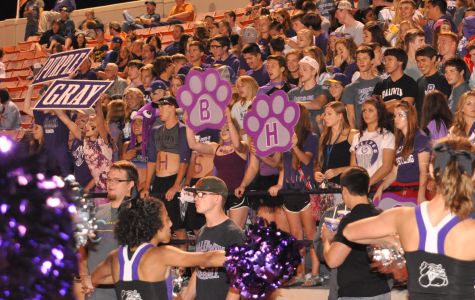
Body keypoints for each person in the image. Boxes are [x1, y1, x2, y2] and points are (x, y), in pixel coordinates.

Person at [343, 137, 475, 299]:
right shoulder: (470, 230)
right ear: (472, 175)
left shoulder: (403, 217)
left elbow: (349, 232)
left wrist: (395, 239)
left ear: (432, 170)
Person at [90, 197, 226, 299]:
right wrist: (243, 255)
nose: (171, 223)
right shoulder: (162, 254)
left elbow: (95, 279)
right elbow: (207, 258)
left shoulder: (114, 257)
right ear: (154, 224)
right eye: (167, 219)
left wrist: (126, 281)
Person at [269, 105, 322, 287]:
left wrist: (294, 146)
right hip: (290, 191)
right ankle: (300, 272)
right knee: (295, 235)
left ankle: (315, 273)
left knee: (310, 234)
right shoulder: (284, 138)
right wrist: (278, 184)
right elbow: (282, 165)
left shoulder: (311, 137)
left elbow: (307, 160)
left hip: (305, 192)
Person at [321, 167, 391, 300]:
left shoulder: (350, 220)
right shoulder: (381, 215)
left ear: (345, 191)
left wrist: (326, 240)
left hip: (357, 293)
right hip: (382, 291)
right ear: (368, 188)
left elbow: (332, 260)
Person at [80, 160, 139, 299]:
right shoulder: (95, 212)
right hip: (93, 293)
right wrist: (84, 275)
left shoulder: (137, 217)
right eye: (109, 179)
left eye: (117, 180)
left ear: (130, 184)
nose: (110, 183)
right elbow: (82, 247)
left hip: (123, 293)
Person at [182, 176, 246, 300]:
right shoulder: (202, 231)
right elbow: (198, 273)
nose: (196, 198)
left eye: (201, 194)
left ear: (217, 198)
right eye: (196, 194)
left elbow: (238, 280)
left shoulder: (234, 233)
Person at [185, 109, 249, 229]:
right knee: (221, 235)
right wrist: (188, 123)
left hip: (237, 195)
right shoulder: (216, 147)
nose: (223, 131)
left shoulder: (242, 146)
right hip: (220, 198)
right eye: (222, 129)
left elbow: (237, 145)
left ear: (234, 129)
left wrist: (229, 120)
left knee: (234, 235)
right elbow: (193, 145)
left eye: (227, 129)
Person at [142, 96, 190, 247]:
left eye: (163, 107)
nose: (159, 110)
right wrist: (146, 186)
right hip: (159, 181)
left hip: (173, 178)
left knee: (178, 227)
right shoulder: (155, 130)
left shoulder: (182, 130)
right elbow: (151, 160)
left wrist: (176, 185)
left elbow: (184, 159)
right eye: (159, 107)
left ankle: (185, 268)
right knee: (158, 225)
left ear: (172, 108)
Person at [374, 101, 431, 209]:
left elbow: (424, 171)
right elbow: (394, 173)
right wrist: (381, 188)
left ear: (410, 117)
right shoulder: (399, 141)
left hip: (415, 188)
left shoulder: (420, 138)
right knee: (377, 206)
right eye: (395, 116)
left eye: (400, 115)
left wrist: (421, 195)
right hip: (400, 188)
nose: (396, 119)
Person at [350, 97, 395, 188]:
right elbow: (353, 167)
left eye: (370, 110)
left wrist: (368, 183)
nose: (366, 114)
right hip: (360, 186)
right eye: (364, 111)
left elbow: (387, 167)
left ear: (379, 113)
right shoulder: (357, 137)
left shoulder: (387, 136)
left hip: (378, 185)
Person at [288, 56, 329, 134]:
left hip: (317, 136)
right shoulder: (292, 93)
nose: (301, 72)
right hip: (296, 136)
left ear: (313, 72)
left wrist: (292, 104)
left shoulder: (322, 89)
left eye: (304, 69)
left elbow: (318, 104)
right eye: (299, 69)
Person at [343, 47, 381, 129]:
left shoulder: (382, 83)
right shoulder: (350, 88)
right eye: (358, 59)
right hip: (361, 133)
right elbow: (351, 116)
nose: (361, 62)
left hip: (380, 131)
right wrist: (354, 134)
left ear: (372, 61)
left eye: (365, 58)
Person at [372, 47, 417, 113]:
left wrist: (382, 106)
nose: (386, 63)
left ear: (400, 62)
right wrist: (395, 102)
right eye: (385, 61)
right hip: (384, 123)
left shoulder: (410, 83)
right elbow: (373, 108)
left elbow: (404, 108)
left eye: (390, 60)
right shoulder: (380, 84)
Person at [415, 45, 451, 122]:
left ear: (434, 59)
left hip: (436, 128)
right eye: (418, 61)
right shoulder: (419, 81)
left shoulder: (443, 80)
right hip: (420, 128)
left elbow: (444, 107)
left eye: (423, 60)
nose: (420, 65)